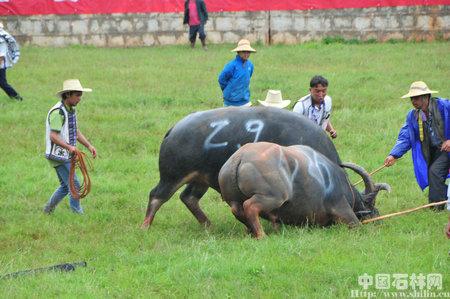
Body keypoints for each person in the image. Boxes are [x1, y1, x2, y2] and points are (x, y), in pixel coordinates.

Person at [384, 81, 450, 210]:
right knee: (433, 173)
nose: (413, 101)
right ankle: (437, 205)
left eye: (417, 98)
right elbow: (406, 137)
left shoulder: (444, 106)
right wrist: (394, 154)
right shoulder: (413, 116)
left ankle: (437, 207)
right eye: (412, 98)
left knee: (435, 172)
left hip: (446, 149)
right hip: (433, 151)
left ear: (426, 96)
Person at [43, 79, 97, 214]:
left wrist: (89, 146)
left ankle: (47, 210)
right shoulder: (58, 113)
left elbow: (75, 131)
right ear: (68, 95)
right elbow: (53, 136)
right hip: (58, 155)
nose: (80, 98)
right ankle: (77, 213)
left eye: (80, 95)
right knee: (74, 185)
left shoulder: (70, 110)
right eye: (77, 95)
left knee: (65, 186)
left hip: (65, 153)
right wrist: (69, 147)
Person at [218, 39, 256, 107]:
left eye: (248, 52)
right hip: (231, 103)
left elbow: (247, 78)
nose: (246, 54)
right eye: (244, 51)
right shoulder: (232, 66)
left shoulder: (250, 65)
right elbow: (221, 79)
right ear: (238, 52)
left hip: (245, 101)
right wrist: (229, 90)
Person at [0, 22, 22, 101]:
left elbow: (2, 55)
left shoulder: (2, 37)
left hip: (1, 63)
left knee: (2, 83)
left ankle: (17, 97)